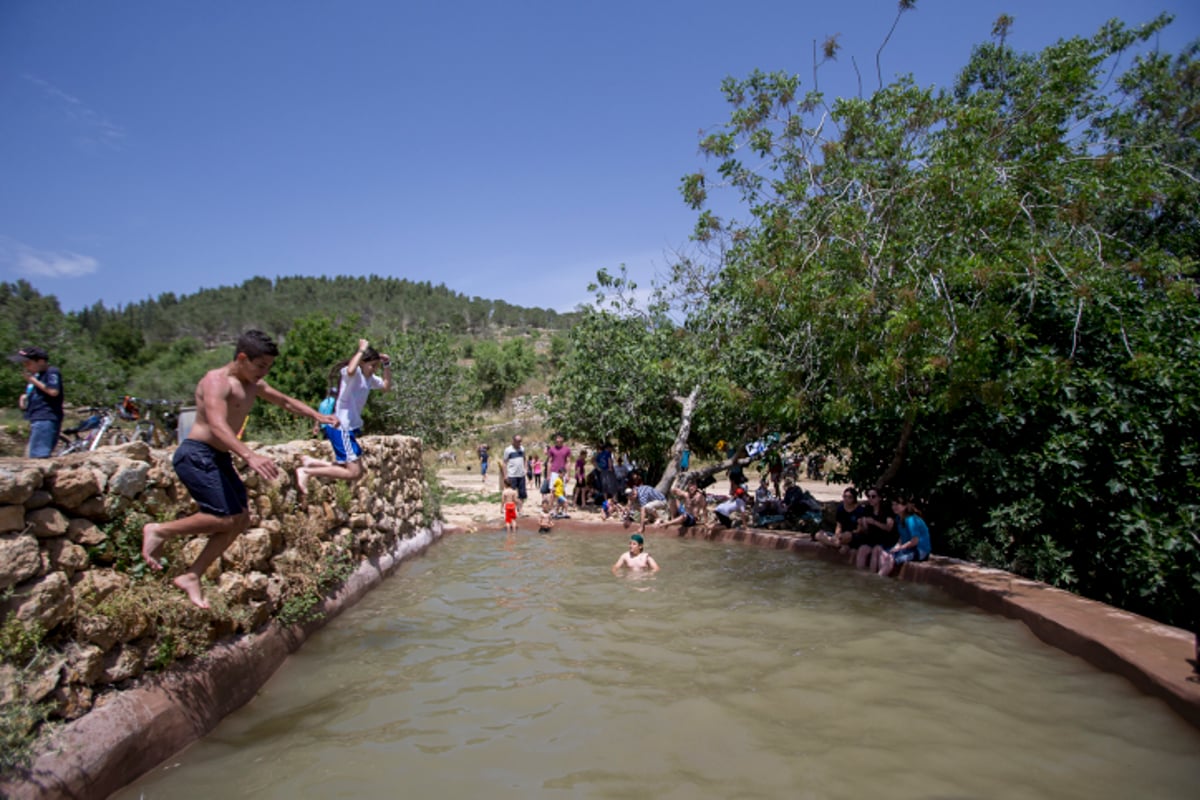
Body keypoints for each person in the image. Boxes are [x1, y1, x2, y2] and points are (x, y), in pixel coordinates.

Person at [141, 330, 337, 609]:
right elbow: (218, 424)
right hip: (196, 454)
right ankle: (159, 530)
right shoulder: (216, 382)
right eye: (260, 366)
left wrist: (316, 415)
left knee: (241, 519)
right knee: (222, 518)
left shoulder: (253, 383)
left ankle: (192, 575)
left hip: (218, 458)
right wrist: (249, 455)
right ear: (242, 357)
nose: (264, 372)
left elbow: (284, 401)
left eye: (268, 367)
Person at [295, 339, 391, 497]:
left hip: (349, 429)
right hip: (341, 427)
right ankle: (306, 471)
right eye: (372, 365)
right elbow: (352, 369)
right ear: (362, 363)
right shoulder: (352, 374)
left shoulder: (369, 379)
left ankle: (312, 463)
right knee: (354, 472)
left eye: (376, 366)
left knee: (354, 470)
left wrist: (387, 365)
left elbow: (386, 387)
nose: (374, 369)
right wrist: (361, 350)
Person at [11, 346, 63, 458]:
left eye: (28, 363)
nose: (26, 366)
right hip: (36, 416)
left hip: (45, 416)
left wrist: (32, 380)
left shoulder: (51, 372)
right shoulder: (38, 375)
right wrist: (26, 396)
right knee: (32, 453)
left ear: (40, 361)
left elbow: (53, 391)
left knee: (38, 455)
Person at [877, 495, 931, 577]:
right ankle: (883, 576)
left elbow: (915, 541)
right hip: (908, 548)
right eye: (893, 504)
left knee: (892, 558)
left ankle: (880, 578)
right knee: (884, 554)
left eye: (897, 504)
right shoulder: (899, 518)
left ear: (905, 506)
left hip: (919, 550)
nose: (894, 507)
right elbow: (901, 537)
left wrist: (900, 548)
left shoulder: (911, 520)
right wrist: (896, 547)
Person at [854, 487, 897, 571]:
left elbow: (888, 528)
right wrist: (863, 524)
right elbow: (865, 531)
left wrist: (874, 522)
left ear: (879, 498)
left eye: (873, 496)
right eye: (869, 496)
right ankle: (860, 574)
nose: (870, 499)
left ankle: (873, 574)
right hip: (872, 539)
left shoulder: (886, 510)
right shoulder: (867, 509)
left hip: (885, 540)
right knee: (862, 550)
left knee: (875, 551)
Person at [502, 434, 527, 512]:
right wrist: (505, 475)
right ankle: (512, 508)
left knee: (522, 493)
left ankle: (520, 508)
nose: (519, 443)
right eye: (518, 441)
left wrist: (526, 469)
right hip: (512, 474)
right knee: (511, 493)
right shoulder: (508, 450)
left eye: (520, 441)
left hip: (521, 474)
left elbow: (525, 459)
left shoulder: (522, 449)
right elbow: (504, 462)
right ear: (513, 441)